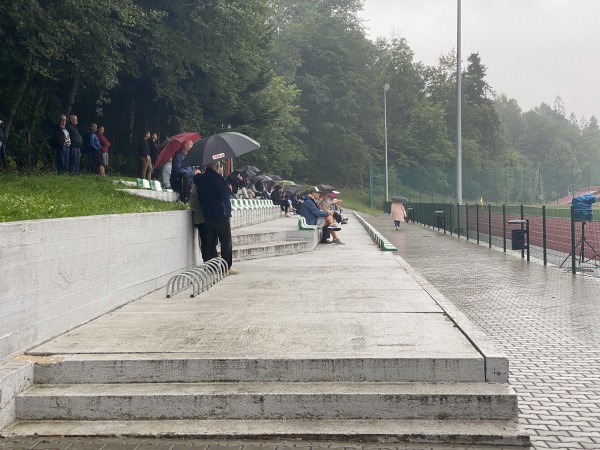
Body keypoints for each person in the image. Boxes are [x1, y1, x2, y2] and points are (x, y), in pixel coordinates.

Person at [196, 161, 239, 274]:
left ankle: (212, 267)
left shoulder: (201, 179)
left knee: (210, 243)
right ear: (217, 166)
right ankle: (226, 267)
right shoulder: (217, 178)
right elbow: (224, 194)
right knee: (225, 242)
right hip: (221, 214)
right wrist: (228, 188)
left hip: (208, 214)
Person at [189, 181, 215, 263]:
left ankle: (207, 261)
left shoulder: (195, 188)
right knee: (208, 242)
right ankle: (209, 262)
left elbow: (192, 205)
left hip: (200, 219)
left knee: (205, 242)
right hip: (205, 219)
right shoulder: (203, 187)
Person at [169, 139, 198, 203]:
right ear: (186, 146)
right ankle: (185, 198)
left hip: (189, 182)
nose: (193, 147)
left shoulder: (189, 156)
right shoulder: (177, 155)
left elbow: (192, 167)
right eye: (191, 145)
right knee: (185, 174)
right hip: (178, 182)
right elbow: (178, 169)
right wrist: (193, 173)